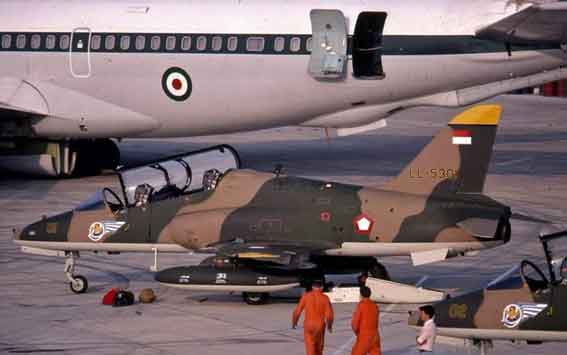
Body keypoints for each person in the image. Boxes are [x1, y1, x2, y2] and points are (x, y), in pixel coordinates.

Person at [292, 280, 334, 355]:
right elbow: (329, 315)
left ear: (312, 287)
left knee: (310, 348)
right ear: (321, 287)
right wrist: (329, 326)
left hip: (308, 325)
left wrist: (294, 322)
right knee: (319, 348)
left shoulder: (306, 296)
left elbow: (297, 311)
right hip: (319, 326)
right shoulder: (325, 298)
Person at [351, 286, 381, 355]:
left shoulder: (361, 305)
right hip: (375, 335)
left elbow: (355, 323)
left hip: (365, 336)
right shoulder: (375, 305)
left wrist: (358, 333)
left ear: (361, 295)